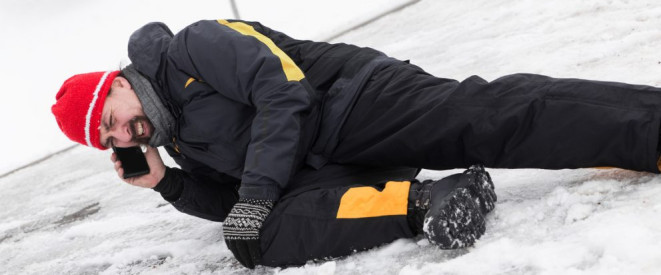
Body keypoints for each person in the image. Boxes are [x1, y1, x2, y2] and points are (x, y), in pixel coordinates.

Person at [52, 19, 660, 268]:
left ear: (115, 86)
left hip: (357, 102)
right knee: (250, 239)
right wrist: (169, 182)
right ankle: (426, 202)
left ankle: (648, 128)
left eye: (108, 116)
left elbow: (283, 92)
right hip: (331, 164)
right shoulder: (177, 144)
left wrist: (259, 192)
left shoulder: (193, 47)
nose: (118, 133)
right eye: (103, 138)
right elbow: (239, 204)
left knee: (488, 119)